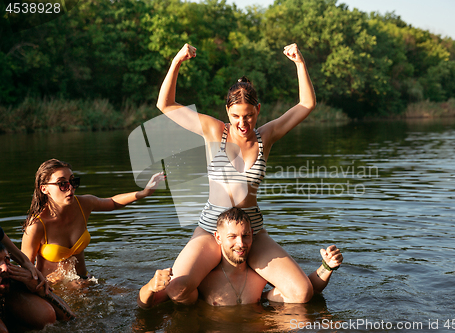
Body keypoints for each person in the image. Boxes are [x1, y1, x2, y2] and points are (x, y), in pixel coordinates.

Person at [154, 42, 317, 304]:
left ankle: (259, 299)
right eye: (236, 116)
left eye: (249, 116)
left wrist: (300, 63)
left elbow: (307, 103)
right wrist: (177, 61)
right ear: (227, 112)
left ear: (258, 110)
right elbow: (165, 104)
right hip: (210, 228)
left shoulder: (268, 135)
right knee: (177, 290)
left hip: (251, 229)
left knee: (302, 293)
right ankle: (209, 295)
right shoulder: (213, 130)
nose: (243, 123)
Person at [137, 208, 343, 307]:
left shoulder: (260, 277)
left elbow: (306, 291)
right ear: (218, 238)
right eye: (232, 237)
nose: (241, 243)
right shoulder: (204, 280)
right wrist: (151, 286)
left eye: (245, 236)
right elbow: (146, 303)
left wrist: (327, 267)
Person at [21, 158, 164, 282]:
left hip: (84, 280)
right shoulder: (36, 225)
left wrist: (144, 192)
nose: (70, 187)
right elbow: (26, 268)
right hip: (53, 288)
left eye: (73, 181)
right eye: (62, 184)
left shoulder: (83, 204)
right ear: (44, 189)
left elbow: (112, 202)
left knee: (133, 296)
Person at [0, 241, 75, 332]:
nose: (5, 268)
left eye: (7, 260)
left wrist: (39, 288)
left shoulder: (15, 279)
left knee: (46, 315)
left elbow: (71, 319)